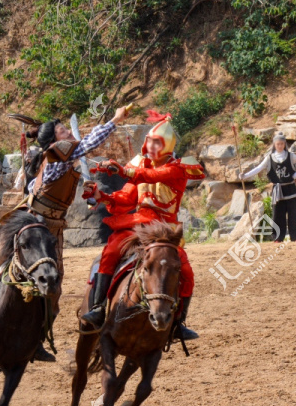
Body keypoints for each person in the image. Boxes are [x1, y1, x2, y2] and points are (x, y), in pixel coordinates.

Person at [0, 106, 132, 360]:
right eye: (63, 131)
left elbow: (36, 184)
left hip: (54, 227)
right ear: (55, 140)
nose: (70, 134)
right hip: (33, 222)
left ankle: (36, 339)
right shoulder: (58, 155)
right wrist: (115, 119)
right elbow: (87, 143)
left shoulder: (62, 159)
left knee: (54, 284)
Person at [80, 111, 205, 339]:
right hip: (136, 225)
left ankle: (178, 323)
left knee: (186, 271)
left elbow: (153, 176)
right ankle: (98, 308)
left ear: (167, 144)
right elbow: (126, 198)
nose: (151, 146)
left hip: (165, 230)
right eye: (149, 141)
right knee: (110, 253)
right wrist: (102, 196)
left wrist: (124, 170)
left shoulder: (178, 168)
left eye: (157, 142)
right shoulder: (140, 164)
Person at [238, 132, 296, 242]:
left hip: (290, 189)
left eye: (282, 144)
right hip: (277, 191)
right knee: (278, 215)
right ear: (274, 145)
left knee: (293, 215)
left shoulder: (290, 156)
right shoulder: (269, 158)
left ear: (285, 144)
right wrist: (245, 176)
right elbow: (258, 168)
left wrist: (295, 175)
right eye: (278, 144)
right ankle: (277, 238)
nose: (280, 146)